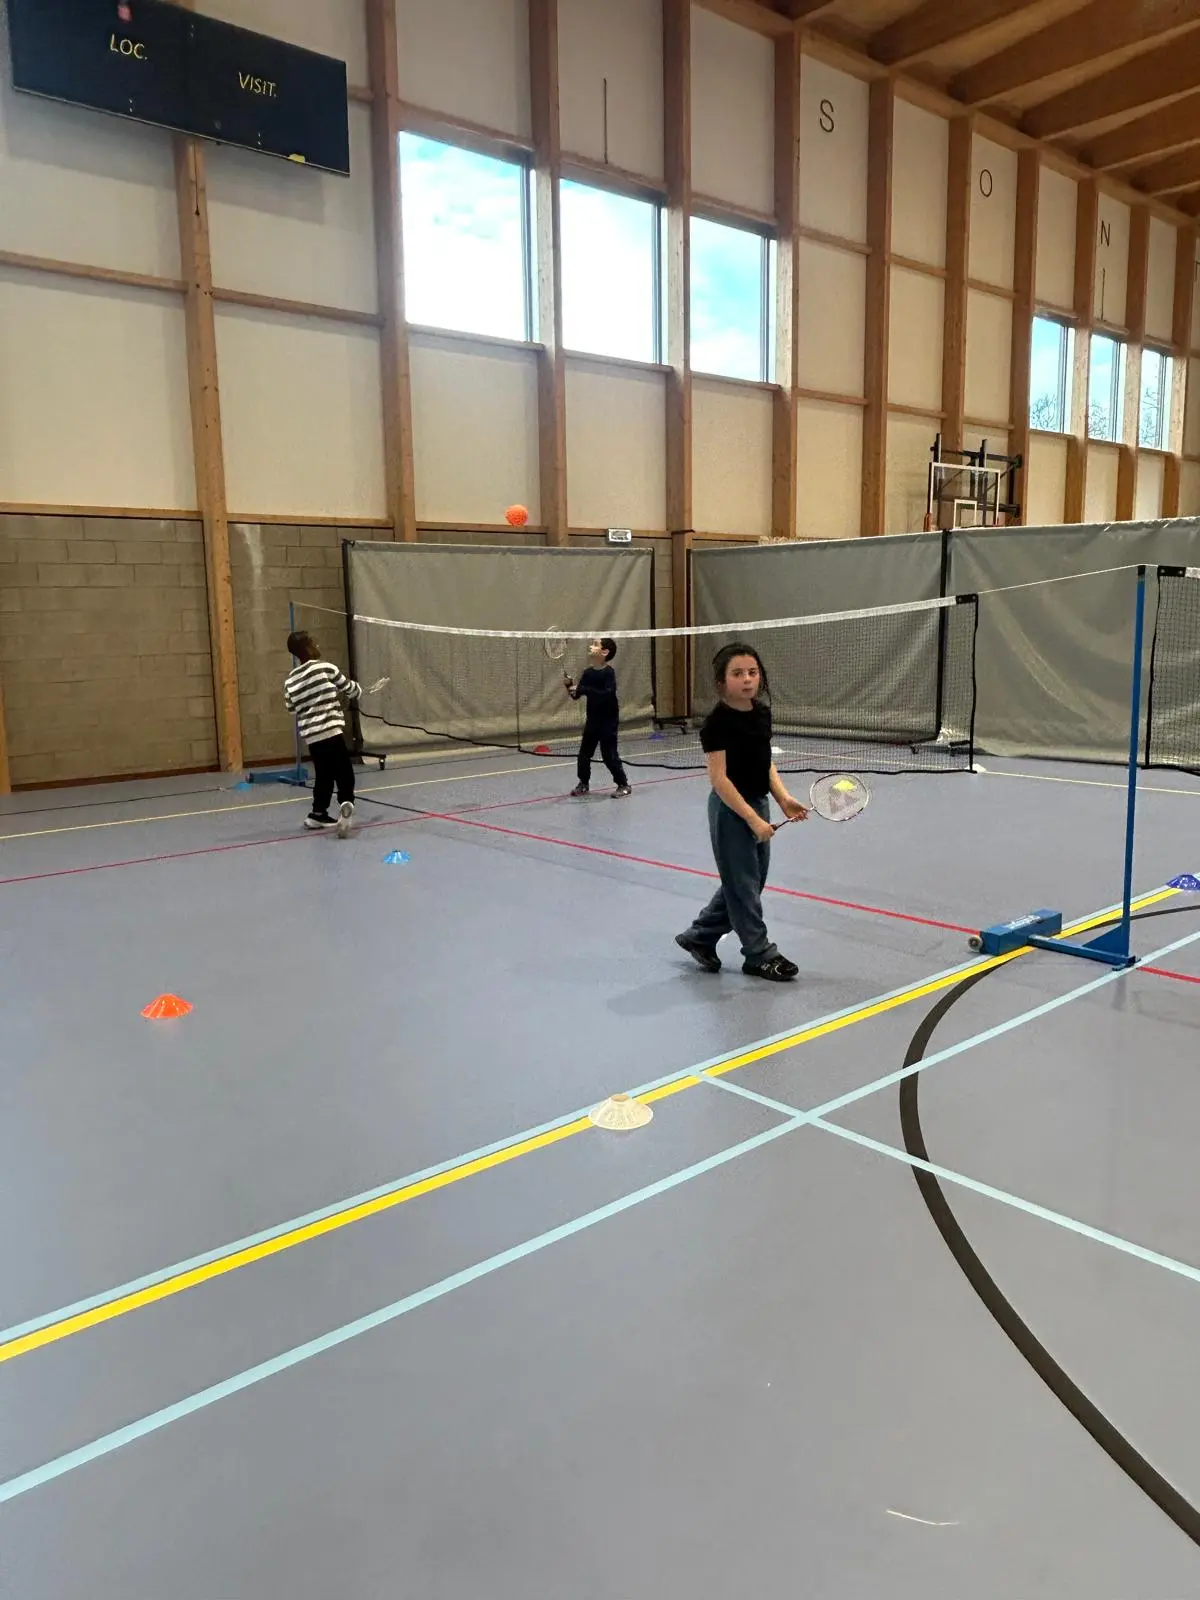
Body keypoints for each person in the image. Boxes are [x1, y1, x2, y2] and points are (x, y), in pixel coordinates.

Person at [675, 641, 807, 982]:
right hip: (730, 809)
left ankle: (700, 936)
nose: (747, 679)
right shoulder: (717, 724)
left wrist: (783, 798)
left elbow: (765, 762)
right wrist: (752, 819)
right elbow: (719, 780)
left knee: (749, 881)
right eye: (737, 673)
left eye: (752, 672)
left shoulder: (761, 713)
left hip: (759, 802)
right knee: (743, 885)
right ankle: (759, 954)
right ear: (722, 681)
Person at [283, 631, 361, 837]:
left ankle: (317, 814)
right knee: (344, 772)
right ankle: (346, 804)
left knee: (324, 775)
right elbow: (349, 688)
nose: (317, 644)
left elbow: (291, 708)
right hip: (331, 731)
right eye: (313, 641)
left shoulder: (290, 680)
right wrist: (357, 690)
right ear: (308, 646)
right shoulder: (326, 668)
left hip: (312, 736)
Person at [565, 636, 631, 798]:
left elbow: (606, 695)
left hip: (608, 720)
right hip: (593, 719)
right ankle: (583, 783)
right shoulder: (588, 673)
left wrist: (584, 689)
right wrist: (569, 686)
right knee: (584, 754)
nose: (591, 646)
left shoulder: (609, 673)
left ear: (605, 652)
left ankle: (623, 784)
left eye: (595, 645)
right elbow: (576, 695)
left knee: (609, 755)